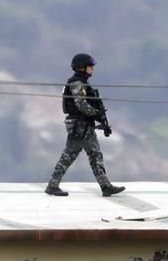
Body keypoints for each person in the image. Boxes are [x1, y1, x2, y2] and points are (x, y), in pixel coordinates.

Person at [45, 53, 125, 197]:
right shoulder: (77, 84)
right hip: (79, 125)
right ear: (81, 68)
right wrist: (96, 113)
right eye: (90, 66)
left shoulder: (82, 83)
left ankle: (105, 186)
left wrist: (99, 117)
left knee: (92, 155)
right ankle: (53, 185)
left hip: (83, 124)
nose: (92, 69)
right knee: (73, 155)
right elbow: (81, 105)